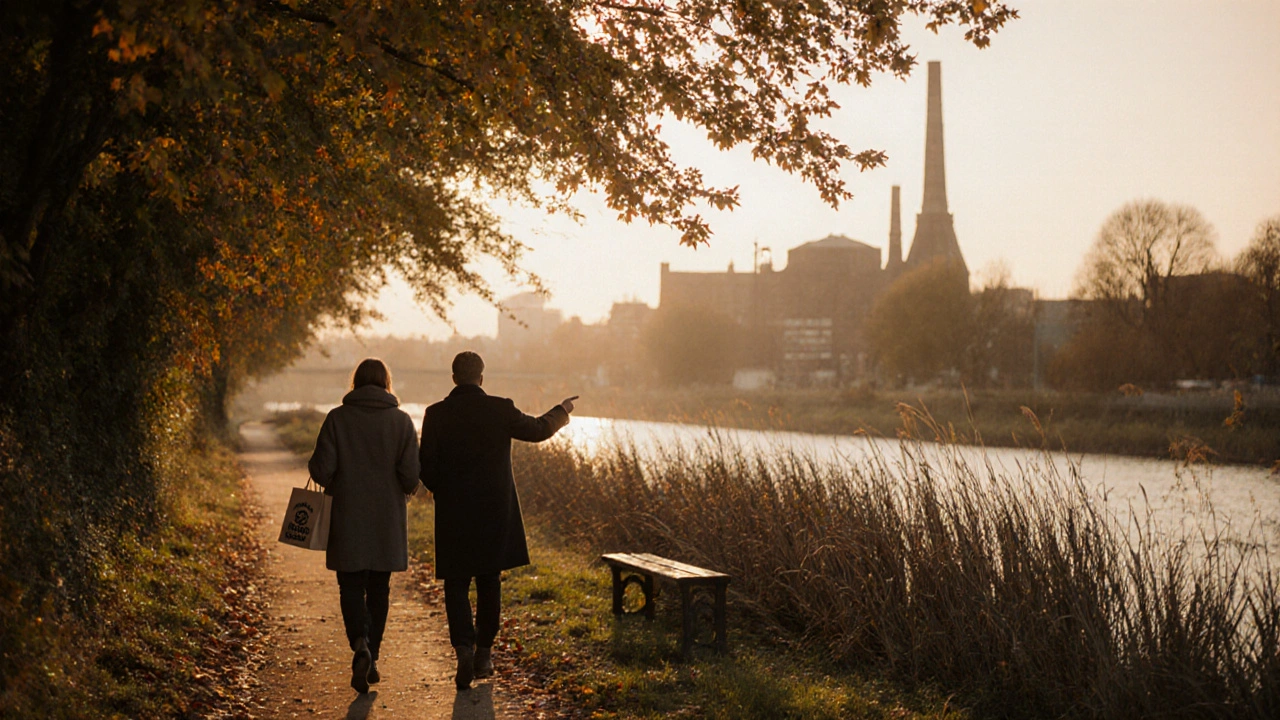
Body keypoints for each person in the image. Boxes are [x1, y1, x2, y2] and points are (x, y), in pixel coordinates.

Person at [419, 351, 577, 691]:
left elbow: (426, 468)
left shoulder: (435, 414)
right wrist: (561, 411)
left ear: (453, 378)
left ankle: (463, 647)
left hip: (454, 513)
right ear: (481, 377)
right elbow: (537, 430)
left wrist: (443, 490)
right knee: (489, 580)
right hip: (493, 511)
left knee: (456, 583)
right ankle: (484, 654)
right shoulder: (500, 408)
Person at [308, 358, 421, 694]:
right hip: (386, 519)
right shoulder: (402, 422)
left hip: (346, 516)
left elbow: (321, 471)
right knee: (380, 589)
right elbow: (411, 477)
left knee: (351, 587)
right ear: (387, 382)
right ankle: (372, 656)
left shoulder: (336, 419)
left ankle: (360, 643)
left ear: (355, 382)